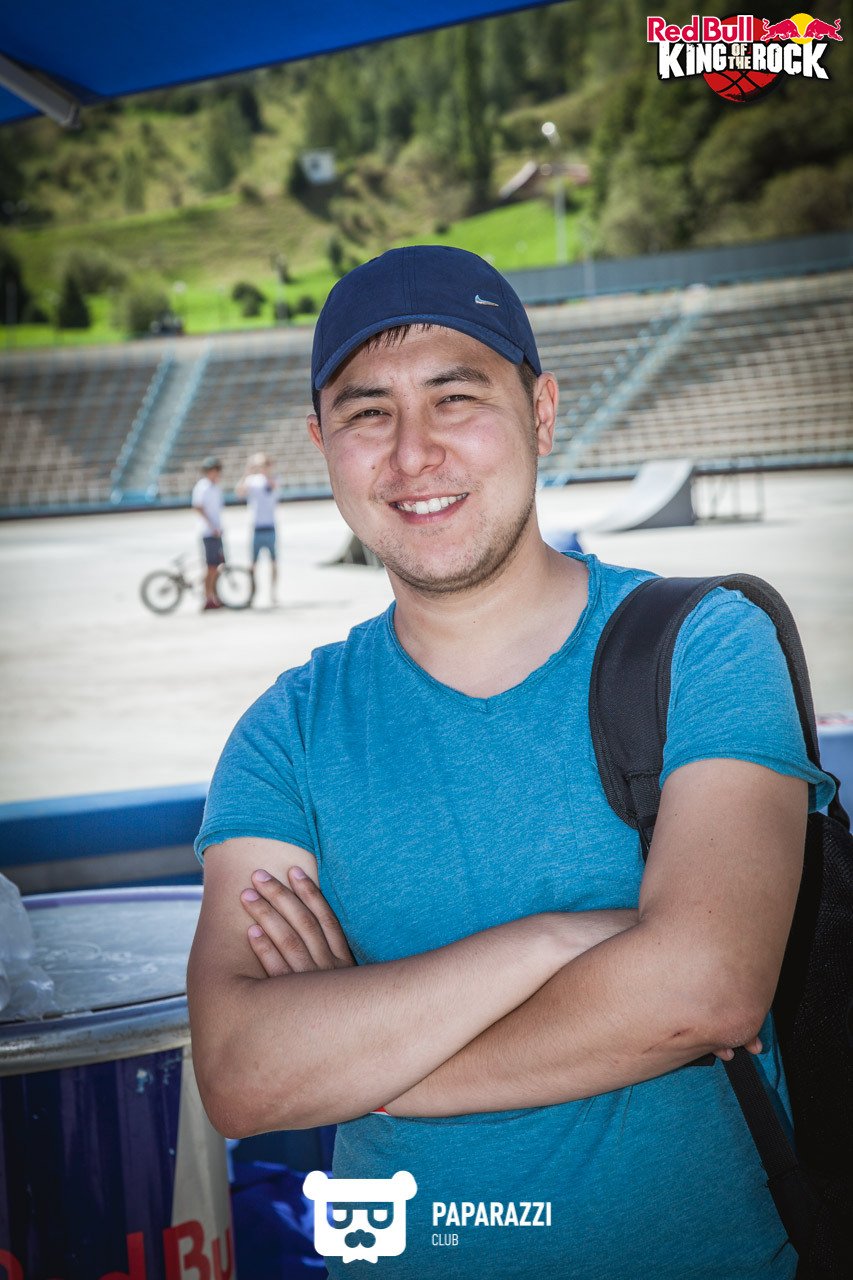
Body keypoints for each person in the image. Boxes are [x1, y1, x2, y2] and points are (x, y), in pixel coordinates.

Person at [188, 246, 833, 1279]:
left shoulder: (703, 645)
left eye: (456, 398)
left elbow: (706, 987)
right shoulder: (287, 732)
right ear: (322, 445)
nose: (413, 453)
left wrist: (368, 1062)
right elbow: (239, 1073)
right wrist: (557, 939)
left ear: (540, 412)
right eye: (367, 414)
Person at [236, 452, 280, 602]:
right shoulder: (252, 480)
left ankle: (273, 593)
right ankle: (252, 593)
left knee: (273, 562)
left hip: (270, 526)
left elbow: (272, 487)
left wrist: (267, 472)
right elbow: (239, 493)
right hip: (256, 527)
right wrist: (247, 472)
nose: (262, 467)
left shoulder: (274, 479)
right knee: (253, 564)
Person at [191, 455, 225, 611]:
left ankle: (215, 595)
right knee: (211, 566)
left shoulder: (215, 487)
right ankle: (207, 597)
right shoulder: (202, 486)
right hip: (208, 532)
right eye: (213, 470)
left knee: (218, 566)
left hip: (216, 531)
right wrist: (212, 526)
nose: (216, 473)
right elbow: (198, 507)